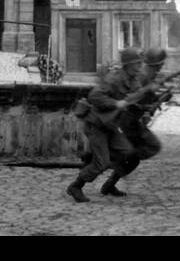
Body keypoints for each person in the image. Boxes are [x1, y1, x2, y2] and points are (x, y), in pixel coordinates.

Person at [66, 48, 142, 203]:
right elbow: (94, 96)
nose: (139, 66)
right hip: (97, 125)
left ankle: (109, 185)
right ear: (128, 65)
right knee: (102, 163)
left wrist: (149, 105)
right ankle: (76, 186)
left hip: (111, 126)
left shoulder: (134, 81)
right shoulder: (113, 78)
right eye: (137, 63)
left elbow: (137, 101)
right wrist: (116, 103)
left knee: (131, 155)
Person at [99, 46, 168, 197]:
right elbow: (132, 99)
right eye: (160, 64)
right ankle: (113, 160)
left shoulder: (148, 75)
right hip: (128, 121)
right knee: (152, 146)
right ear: (158, 64)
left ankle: (110, 183)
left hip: (132, 120)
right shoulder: (143, 76)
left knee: (136, 158)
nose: (161, 67)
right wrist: (149, 101)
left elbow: (144, 100)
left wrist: (158, 98)